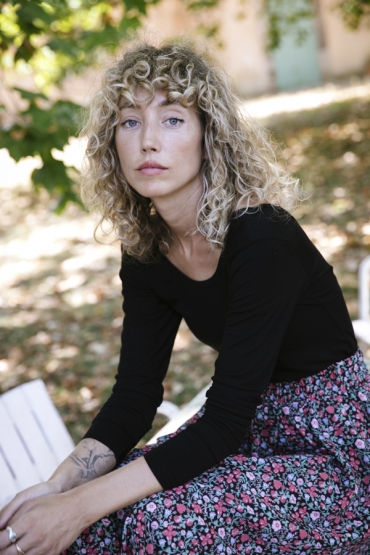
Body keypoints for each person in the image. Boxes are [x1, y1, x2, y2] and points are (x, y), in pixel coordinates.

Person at [0, 39, 369, 555]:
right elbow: (134, 397)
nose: (148, 140)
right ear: (112, 143)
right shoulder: (148, 251)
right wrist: (59, 487)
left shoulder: (264, 238)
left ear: (208, 137)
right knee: (94, 522)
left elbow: (221, 422)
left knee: (158, 521)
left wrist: (76, 507)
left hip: (338, 453)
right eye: (130, 122)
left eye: (172, 119)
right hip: (249, 430)